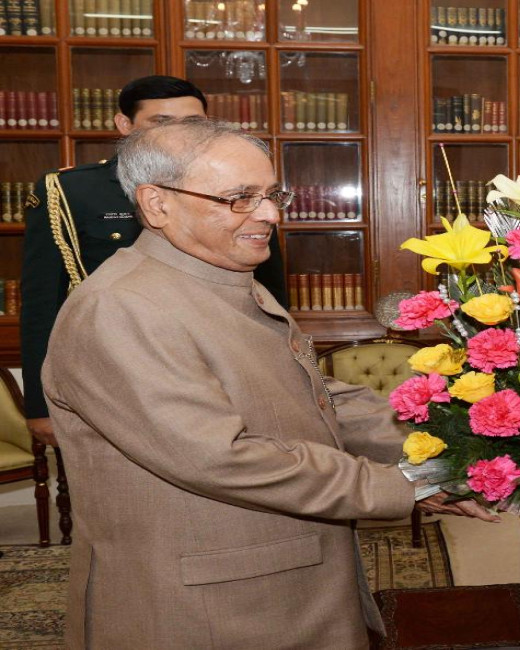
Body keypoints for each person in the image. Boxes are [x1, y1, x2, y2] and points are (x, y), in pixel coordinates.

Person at [40, 119, 484, 648]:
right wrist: (405, 485)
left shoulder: (221, 279)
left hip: (282, 583)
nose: (270, 214)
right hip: (210, 611)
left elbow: (313, 397)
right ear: (156, 204)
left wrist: (458, 446)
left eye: (272, 195)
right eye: (239, 198)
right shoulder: (120, 309)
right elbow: (219, 457)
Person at [19, 75, 287, 449]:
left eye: (192, 123)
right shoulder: (74, 190)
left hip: (230, 356)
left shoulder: (236, 183)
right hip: (121, 365)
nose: (178, 133)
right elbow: (42, 302)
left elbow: (267, 286)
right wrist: (39, 404)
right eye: (160, 122)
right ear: (124, 125)